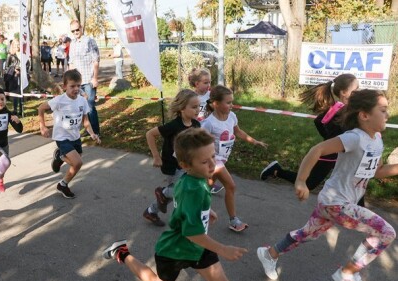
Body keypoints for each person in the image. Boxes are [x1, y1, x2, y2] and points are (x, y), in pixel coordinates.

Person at [256, 89, 396, 281]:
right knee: (385, 232)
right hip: (336, 203)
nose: (388, 115)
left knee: (307, 234)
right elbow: (317, 150)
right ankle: (348, 273)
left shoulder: (376, 140)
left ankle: (269, 254)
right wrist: (301, 180)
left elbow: (376, 172)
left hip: (333, 202)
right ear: (364, 115)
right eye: (383, 110)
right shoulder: (353, 138)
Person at [102, 128, 248, 281]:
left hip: (198, 248)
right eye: (204, 161)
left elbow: (183, 206)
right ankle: (122, 252)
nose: (212, 164)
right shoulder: (191, 188)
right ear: (185, 165)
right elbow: (191, 233)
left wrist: (205, 210)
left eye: (213, 156)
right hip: (175, 250)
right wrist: (223, 249)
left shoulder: (194, 178)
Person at [260, 74, 365, 206]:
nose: (359, 91)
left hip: (340, 155)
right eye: (356, 88)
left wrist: (327, 138)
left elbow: (318, 121)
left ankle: (364, 216)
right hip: (330, 155)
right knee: (309, 183)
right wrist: (329, 141)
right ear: (345, 93)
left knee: (356, 184)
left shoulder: (338, 107)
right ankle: (276, 170)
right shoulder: (343, 112)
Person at [202, 85, 267, 232]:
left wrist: (253, 141)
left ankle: (193, 208)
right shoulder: (209, 123)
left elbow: (238, 131)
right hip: (213, 160)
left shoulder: (231, 116)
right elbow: (200, 144)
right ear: (216, 104)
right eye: (228, 102)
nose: (231, 105)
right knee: (231, 186)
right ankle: (234, 220)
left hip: (223, 159)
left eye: (232, 102)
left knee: (206, 188)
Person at [38, 70, 101, 199]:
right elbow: (41, 108)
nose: (76, 89)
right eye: (72, 86)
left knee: (76, 161)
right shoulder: (59, 100)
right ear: (64, 86)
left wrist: (92, 134)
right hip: (62, 137)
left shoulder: (82, 101)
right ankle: (62, 178)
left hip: (75, 136)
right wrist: (42, 126)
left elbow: (86, 121)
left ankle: (60, 165)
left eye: (78, 85)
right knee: (77, 163)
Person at [143, 89, 201, 227]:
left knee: (174, 193)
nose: (197, 110)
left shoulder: (196, 125)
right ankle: (162, 192)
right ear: (181, 108)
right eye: (193, 107)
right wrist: (156, 157)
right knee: (182, 191)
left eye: (198, 106)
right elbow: (150, 134)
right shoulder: (173, 126)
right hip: (172, 165)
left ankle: (151, 211)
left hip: (187, 165)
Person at [68, 20, 100, 136]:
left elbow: (95, 61)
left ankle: (96, 132)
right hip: (77, 82)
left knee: (90, 107)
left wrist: (95, 78)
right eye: (73, 31)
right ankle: (88, 130)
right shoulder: (72, 43)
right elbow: (71, 63)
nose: (76, 32)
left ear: (81, 28)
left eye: (77, 29)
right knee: (79, 107)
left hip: (88, 80)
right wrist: (70, 81)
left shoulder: (89, 41)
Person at [4, 41, 23, 116]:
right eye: (15, 45)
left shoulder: (23, 55)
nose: (17, 46)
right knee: (15, 93)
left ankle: (21, 110)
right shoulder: (10, 56)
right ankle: (15, 110)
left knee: (21, 93)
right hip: (13, 77)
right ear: (13, 46)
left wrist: (22, 71)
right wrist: (14, 69)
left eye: (18, 45)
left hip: (22, 76)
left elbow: (28, 65)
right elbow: (6, 68)